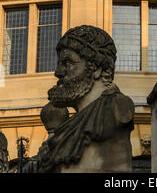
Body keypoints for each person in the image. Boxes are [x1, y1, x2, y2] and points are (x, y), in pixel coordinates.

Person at [36, 25, 134, 173]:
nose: (58, 72)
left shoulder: (117, 108)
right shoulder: (71, 124)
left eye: (67, 63)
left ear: (96, 69)